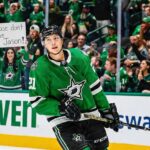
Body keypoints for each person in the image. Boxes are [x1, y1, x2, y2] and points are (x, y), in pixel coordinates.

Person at [28, 25, 119, 150]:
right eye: (48, 40)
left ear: (62, 39)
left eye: (55, 38)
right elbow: (37, 102)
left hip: (90, 114)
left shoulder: (79, 56)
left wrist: (106, 110)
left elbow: (95, 87)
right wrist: (60, 107)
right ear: (44, 43)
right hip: (64, 120)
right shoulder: (39, 68)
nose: (53, 43)